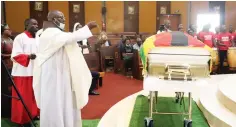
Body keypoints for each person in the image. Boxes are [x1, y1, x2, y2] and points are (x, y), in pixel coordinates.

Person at [33, 10, 97, 127]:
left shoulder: (57, 33)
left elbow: (68, 39)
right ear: (53, 19)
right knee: (55, 103)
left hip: (63, 74)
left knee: (66, 101)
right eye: (61, 17)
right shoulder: (49, 33)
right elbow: (71, 37)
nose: (64, 20)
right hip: (53, 76)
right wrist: (87, 28)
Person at [10, 18, 39, 127]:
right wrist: (28, 56)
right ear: (26, 25)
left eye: (37, 24)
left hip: (34, 72)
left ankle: (32, 116)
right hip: (22, 73)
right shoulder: (20, 38)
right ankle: (22, 120)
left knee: (33, 97)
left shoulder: (38, 38)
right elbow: (15, 56)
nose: (36, 25)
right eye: (33, 24)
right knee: (23, 98)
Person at [73, 22, 100, 95]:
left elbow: (89, 46)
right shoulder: (73, 38)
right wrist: (81, 47)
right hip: (75, 64)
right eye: (78, 27)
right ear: (75, 29)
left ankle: (90, 90)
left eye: (81, 27)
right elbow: (74, 46)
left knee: (95, 74)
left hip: (85, 57)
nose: (80, 28)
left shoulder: (84, 38)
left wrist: (90, 47)